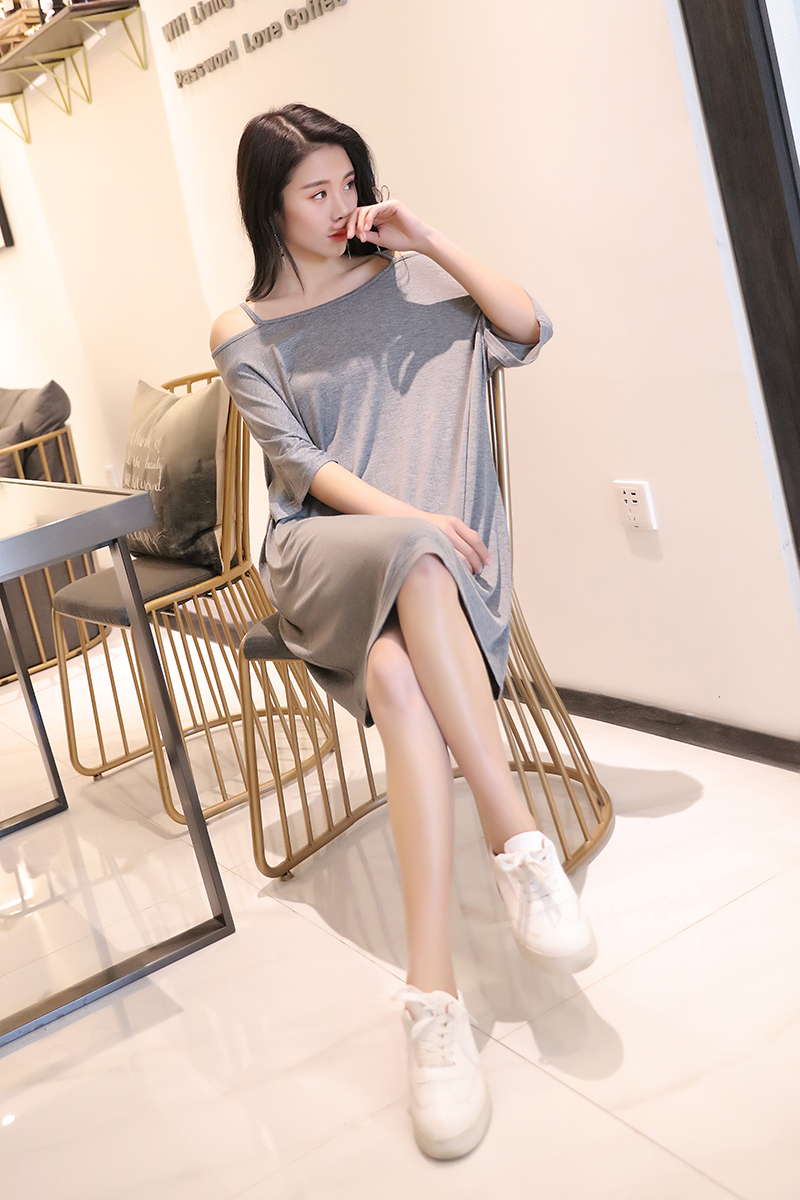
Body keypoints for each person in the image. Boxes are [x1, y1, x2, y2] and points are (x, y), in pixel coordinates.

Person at [210, 103, 595, 1160]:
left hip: (439, 566)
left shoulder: (410, 280)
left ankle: (433, 1001)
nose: (340, 207)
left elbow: (526, 326)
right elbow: (299, 469)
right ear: (270, 206)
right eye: (315, 192)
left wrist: (425, 238)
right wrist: (411, 519)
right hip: (324, 550)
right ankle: (517, 839)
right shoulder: (242, 330)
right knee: (415, 552)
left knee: (398, 678)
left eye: (349, 184)